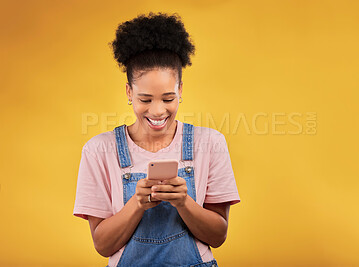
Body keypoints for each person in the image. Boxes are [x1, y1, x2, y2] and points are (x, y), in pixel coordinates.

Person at [73, 12, 240, 267]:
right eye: (145, 99)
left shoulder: (210, 144)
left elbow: (218, 236)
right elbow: (102, 245)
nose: (158, 111)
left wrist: (184, 203)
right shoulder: (98, 150)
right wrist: (137, 205)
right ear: (129, 92)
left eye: (168, 98)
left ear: (181, 91)